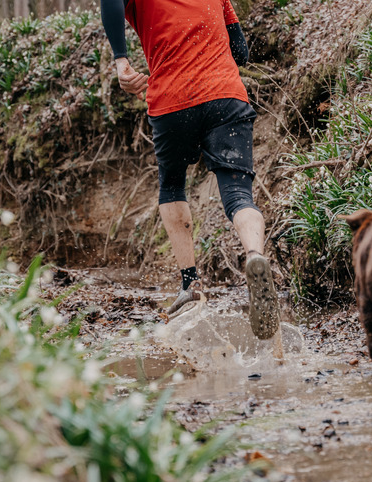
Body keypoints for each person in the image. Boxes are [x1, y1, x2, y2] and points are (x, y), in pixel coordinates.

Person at [100, 0, 279, 340]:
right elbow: (240, 50)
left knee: (172, 186)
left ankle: (190, 284)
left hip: (172, 100)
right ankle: (255, 256)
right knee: (239, 194)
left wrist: (122, 61)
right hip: (225, 95)